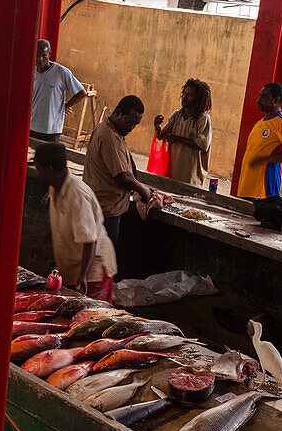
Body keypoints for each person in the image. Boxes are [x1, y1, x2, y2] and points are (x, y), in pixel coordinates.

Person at [33, 142, 118, 300]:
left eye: (39, 170)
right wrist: (43, 243)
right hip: (72, 269)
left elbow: (89, 240)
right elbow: (59, 221)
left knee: (93, 316)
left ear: (50, 169)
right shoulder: (55, 186)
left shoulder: (77, 195)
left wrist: (83, 277)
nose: (38, 175)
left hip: (93, 272)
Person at [83, 95, 154, 244]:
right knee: (102, 255)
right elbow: (122, 176)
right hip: (106, 208)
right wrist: (143, 190)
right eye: (129, 122)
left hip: (102, 205)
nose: (131, 127)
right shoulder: (109, 137)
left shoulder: (109, 129)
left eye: (135, 124)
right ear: (117, 113)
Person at [235, 82, 282, 199]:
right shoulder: (260, 123)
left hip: (264, 189)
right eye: (260, 95)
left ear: (276, 100)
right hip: (247, 186)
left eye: (264, 97)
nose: (259, 100)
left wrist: (268, 159)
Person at [153, 78, 213, 187]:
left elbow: (202, 144)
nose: (185, 97)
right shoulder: (177, 115)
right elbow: (161, 136)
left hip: (191, 178)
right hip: (172, 174)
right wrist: (157, 127)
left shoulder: (203, 119)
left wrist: (176, 139)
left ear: (198, 99)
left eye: (189, 95)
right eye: (184, 93)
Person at [30, 39, 86, 143]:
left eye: (44, 56)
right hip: (32, 126)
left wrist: (65, 106)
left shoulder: (61, 72)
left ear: (49, 54)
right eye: (37, 55)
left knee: (48, 158)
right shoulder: (31, 72)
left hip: (51, 129)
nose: (40, 59)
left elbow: (81, 93)